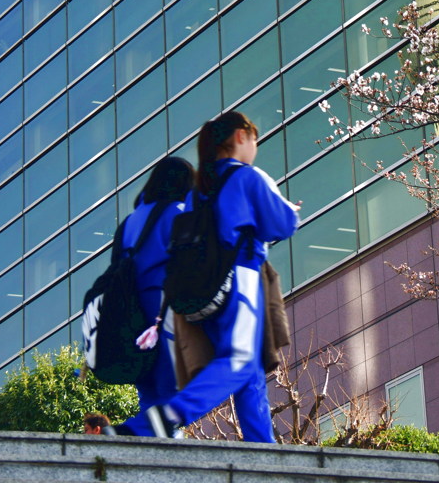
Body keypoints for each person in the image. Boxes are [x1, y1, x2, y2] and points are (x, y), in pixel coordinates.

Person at [106, 111, 300, 440]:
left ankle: (263, 446)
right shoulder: (247, 177)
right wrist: (289, 210)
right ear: (241, 136)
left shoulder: (198, 191)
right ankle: (161, 420)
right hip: (241, 281)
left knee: (250, 372)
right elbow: (281, 224)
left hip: (204, 293)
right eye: (254, 138)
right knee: (238, 360)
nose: (255, 145)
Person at [119, 155, 195, 414]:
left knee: (147, 387)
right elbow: (191, 259)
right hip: (160, 305)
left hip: (129, 309)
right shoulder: (176, 212)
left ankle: (149, 445)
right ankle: (170, 448)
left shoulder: (130, 221)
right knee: (170, 385)